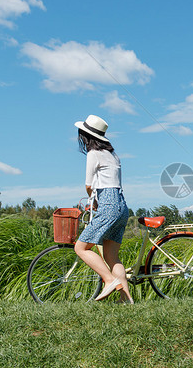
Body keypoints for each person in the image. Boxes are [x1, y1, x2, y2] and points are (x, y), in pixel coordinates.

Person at [73, 114, 133, 303]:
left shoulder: (93, 154)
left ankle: (108, 280)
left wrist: (94, 201)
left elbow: (89, 184)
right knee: (111, 256)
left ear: (86, 136)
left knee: (80, 248)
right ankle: (126, 299)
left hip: (108, 203)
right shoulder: (112, 154)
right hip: (121, 205)